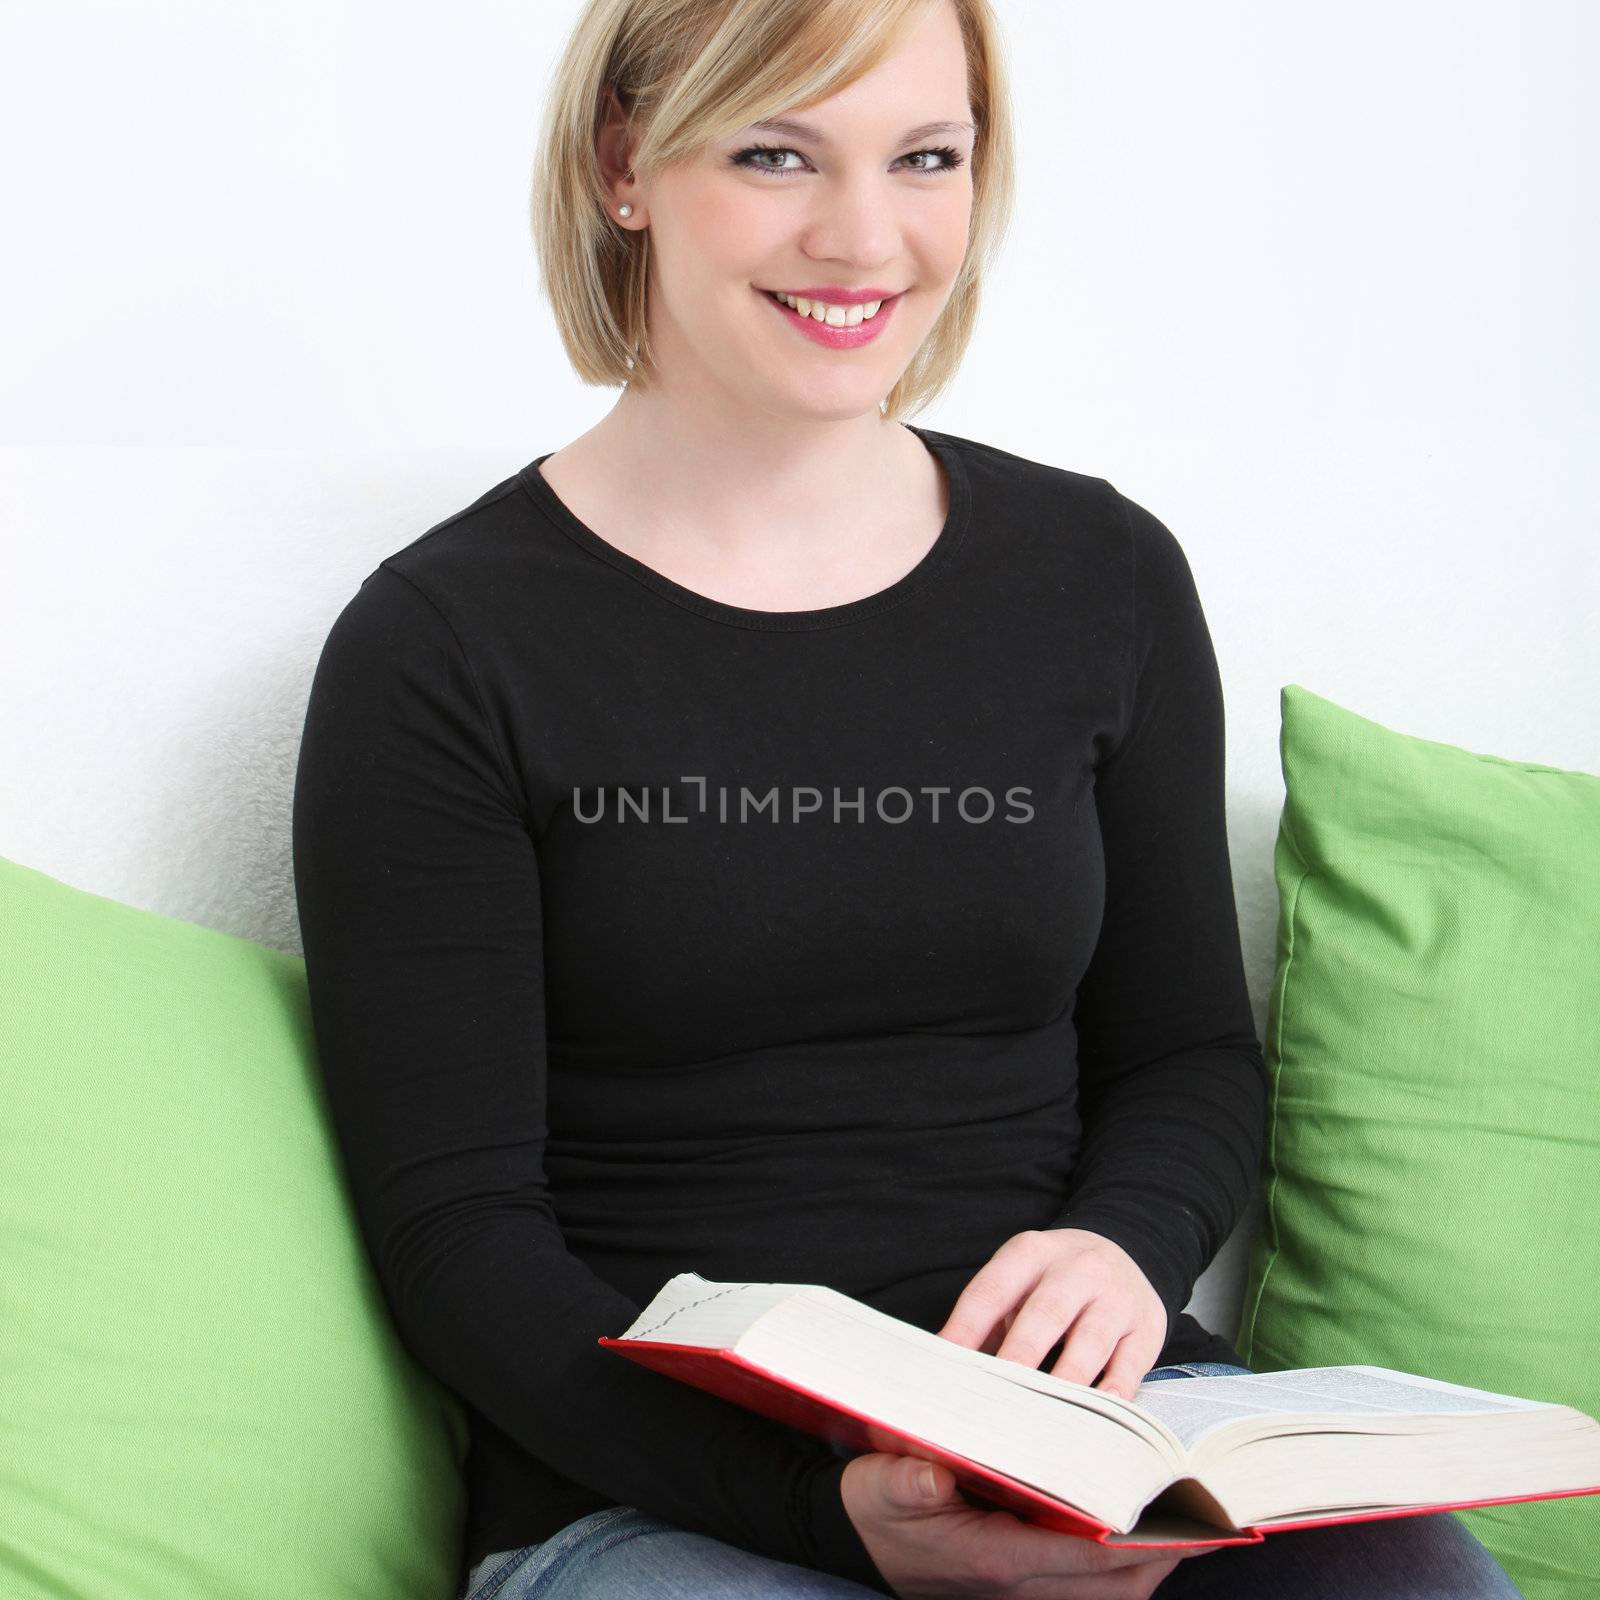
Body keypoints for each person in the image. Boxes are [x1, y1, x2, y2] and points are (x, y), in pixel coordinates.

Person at [289, 1, 1526, 1596]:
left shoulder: (1102, 576)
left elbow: (1187, 1057)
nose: (863, 237)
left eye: (924, 158)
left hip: (1090, 1431)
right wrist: (828, 1515)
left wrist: (1124, 1247)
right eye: (775, 152)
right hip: (668, 1494)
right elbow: (459, 1241)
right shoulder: (442, 649)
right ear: (624, 168)